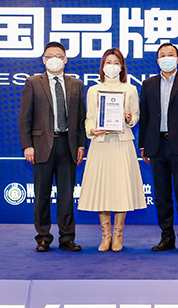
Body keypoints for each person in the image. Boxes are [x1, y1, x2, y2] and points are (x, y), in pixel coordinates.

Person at [19, 41, 87, 252]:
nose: (54, 59)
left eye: (59, 55)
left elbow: (81, 117)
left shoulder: (76, 84)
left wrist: (81, 144)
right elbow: (25, 118)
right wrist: (27, 145)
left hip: (68, 144)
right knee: (42, 194)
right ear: (43, 60)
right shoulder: (33, 83)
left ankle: (67, 237)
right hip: (41, 145)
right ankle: (43, 237)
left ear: (65, 60)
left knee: (66, 195)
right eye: (50, 56)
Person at [78, 48, 146, 252]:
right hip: (101, 144)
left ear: (122, 66)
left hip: (122, 143)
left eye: (116, 62)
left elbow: (136, 116)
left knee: (121, 189)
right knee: (103, 188)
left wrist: (129, 118)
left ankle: (118, 235)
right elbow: (90, 117)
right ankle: (105, 235)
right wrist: (92, 130)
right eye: (108, 62)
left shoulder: (130, 89)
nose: (112, 66)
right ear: (102, 66)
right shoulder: (93, 90)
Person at [138, 42, 178, 254]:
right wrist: (143, 146)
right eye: (163, 55)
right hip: (156, 146)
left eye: (170, 54)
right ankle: (166, 237)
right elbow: (145, 117)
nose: (167, 58)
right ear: (157, 61)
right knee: (162, 196)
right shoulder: (148, 84)